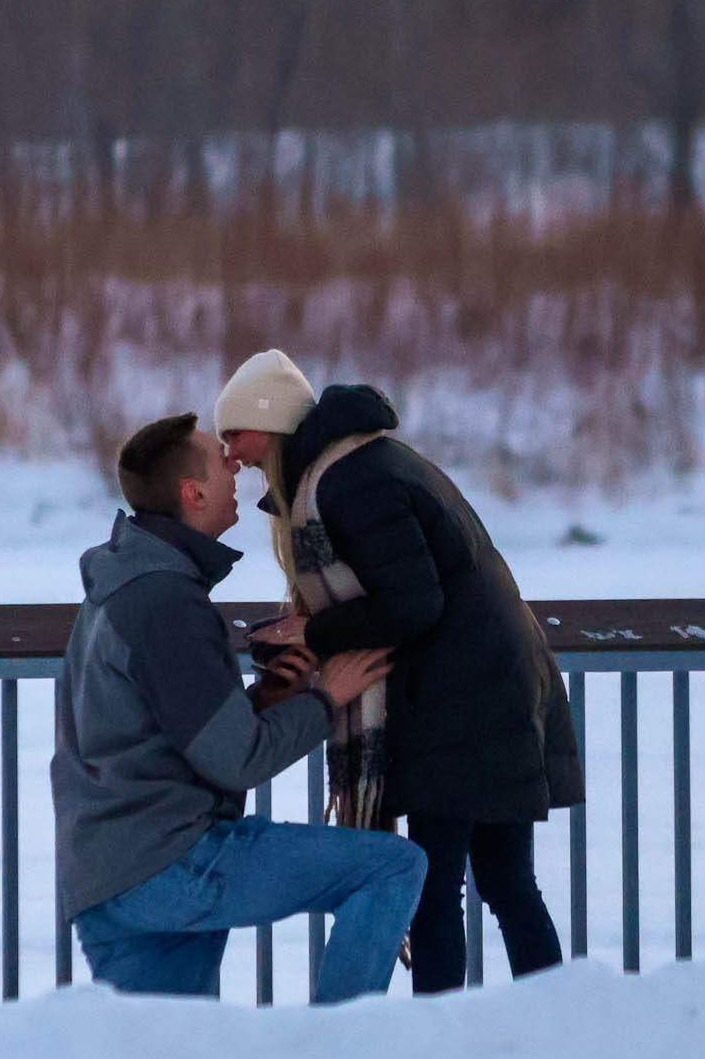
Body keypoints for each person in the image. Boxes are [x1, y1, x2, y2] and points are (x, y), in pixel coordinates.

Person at [213, 350, 585, 995]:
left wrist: (316, 631)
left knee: (433, 888)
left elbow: (413, 603)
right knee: (503, 881)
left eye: (235, 435)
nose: (231, 455)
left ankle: (438, 1036)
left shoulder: (350, 481)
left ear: (267, 426)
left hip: (460, 701)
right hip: (491, 684)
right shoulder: (362, 463)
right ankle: (554, 1022)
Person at [51, 412, 428, 1004]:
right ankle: (339, 1053)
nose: (234, 465)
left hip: (104, 880)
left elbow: (177, 732)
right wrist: (327, 698)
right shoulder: (165, 601)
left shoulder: (126, 584)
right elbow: (238, 760)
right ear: (192, 493)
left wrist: (268, 699)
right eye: (217, 459)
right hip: (170, 863)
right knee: (391, 868)